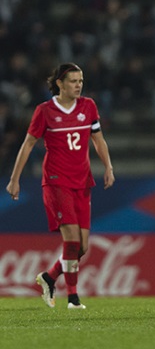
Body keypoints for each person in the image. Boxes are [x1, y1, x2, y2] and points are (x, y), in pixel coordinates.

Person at [5, 62, 115, 309]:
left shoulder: (88, 106)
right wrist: (15, 179)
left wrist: (108, 166)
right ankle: (73, 298)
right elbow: (28, 144)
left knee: (83, 247)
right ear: (60, 84)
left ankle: (49, 276)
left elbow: (98, 140)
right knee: (73, 241)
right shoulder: (45, 111)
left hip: (82, 180)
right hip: (56, 181)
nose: (78, 85)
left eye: (81, 81)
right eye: (74, 81)